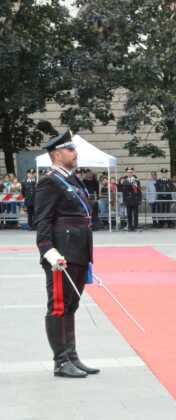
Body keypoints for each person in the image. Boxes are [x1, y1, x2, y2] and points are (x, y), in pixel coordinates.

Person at [33, 131, 99, 378]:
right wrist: (47, 249)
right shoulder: (49, 181)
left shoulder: (70, 179)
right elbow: (42, 219)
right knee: (59, 305)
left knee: (71, 304)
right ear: (57, 155)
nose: (75, 153)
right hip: (62, 252)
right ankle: (60, 361)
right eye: (70, 150)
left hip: (79, 250)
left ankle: (71, 356)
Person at [119, 167, 142, 231]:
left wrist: (140, 200)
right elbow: (123, 191)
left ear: (133, 173)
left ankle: (136, 226)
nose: (129, 173)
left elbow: (139, 191)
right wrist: (124, 200)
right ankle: (130, 226)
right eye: (128, 172)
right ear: (126, 173)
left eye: (131, 172)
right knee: (129, 214)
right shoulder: (124, 181)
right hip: (128, 200)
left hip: (135, 199)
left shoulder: (136, 180)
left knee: (135, 214)